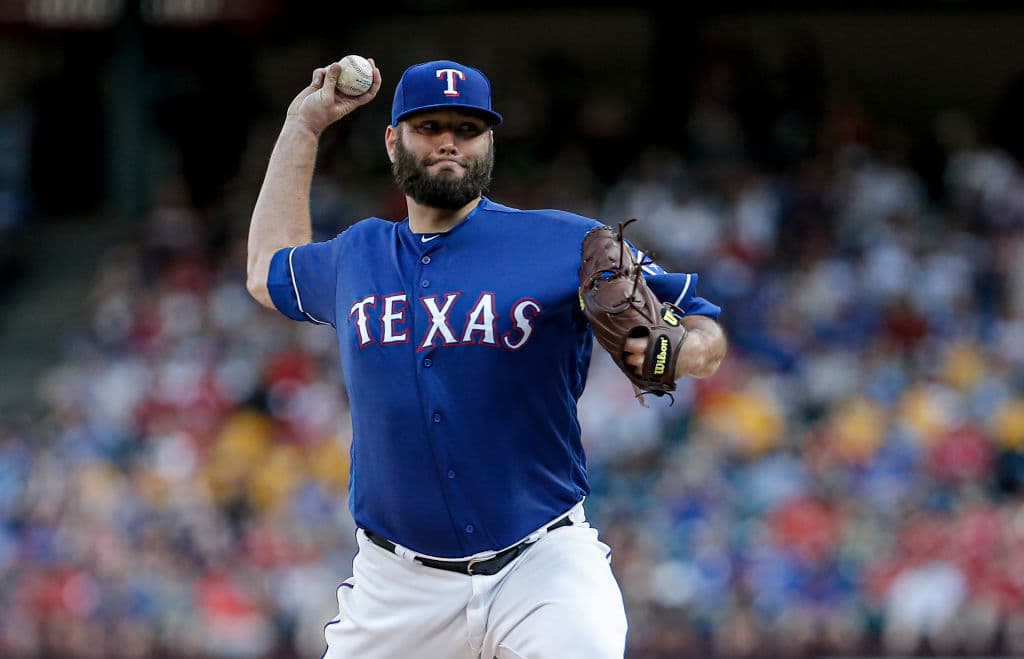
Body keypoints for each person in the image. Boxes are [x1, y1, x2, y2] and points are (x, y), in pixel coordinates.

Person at [246, 57, 727, 659]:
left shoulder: (565, 241)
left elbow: (702, 328)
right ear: (393, 140)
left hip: (541, 564)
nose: (450, 141)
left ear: (489, 143)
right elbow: (267, 272)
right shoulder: (356, 254)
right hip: (395, 586)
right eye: (429, 127)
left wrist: (675, 350)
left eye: (468, 129)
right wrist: (303, 125)